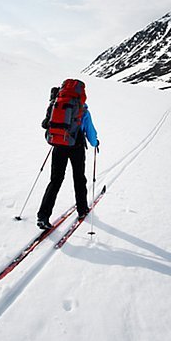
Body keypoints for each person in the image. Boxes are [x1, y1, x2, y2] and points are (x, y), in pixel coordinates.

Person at [37, 79, 99, 230]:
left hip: (58, 144)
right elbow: (90, 132)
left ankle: (43, 216)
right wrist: (95, 142)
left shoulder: (56, 104)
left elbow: (46, 123)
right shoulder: (83, 109)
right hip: (76, 146)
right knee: (79, 178)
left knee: (55, 180)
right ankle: (82, 210)